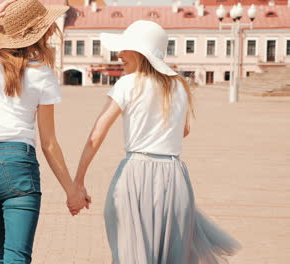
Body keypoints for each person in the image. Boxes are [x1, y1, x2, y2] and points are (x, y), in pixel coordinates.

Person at [74, 20, 240, 264]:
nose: (119, 54)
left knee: (130, 254)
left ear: (141, 53)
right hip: (174, 176)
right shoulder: (179, 86)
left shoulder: (127, 84)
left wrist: (78, 181)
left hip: (135, 173)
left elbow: (96, 134)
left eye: (125, 48)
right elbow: (183, 131)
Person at [0, 0, 89, 263]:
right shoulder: (41, 73)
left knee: (3, 255)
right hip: (16, 166)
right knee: (16, 258)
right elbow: (49, 143)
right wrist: (71, 191)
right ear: (41, 33)